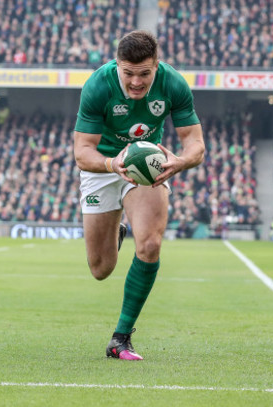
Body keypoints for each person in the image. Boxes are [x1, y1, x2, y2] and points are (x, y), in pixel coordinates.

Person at [74, 31, 205, 360]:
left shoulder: (173, 83)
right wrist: (111, 163)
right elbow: (82, 152)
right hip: (103, 167)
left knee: (150, 244)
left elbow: (196, 145)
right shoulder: (97, 86)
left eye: (144, 73)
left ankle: (121, 338)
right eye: (128, 73)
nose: (135, 82)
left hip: (147, 167)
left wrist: (181, 161)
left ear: (156, 66)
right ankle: (117, 225)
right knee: (100, 268)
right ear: (117, 65)